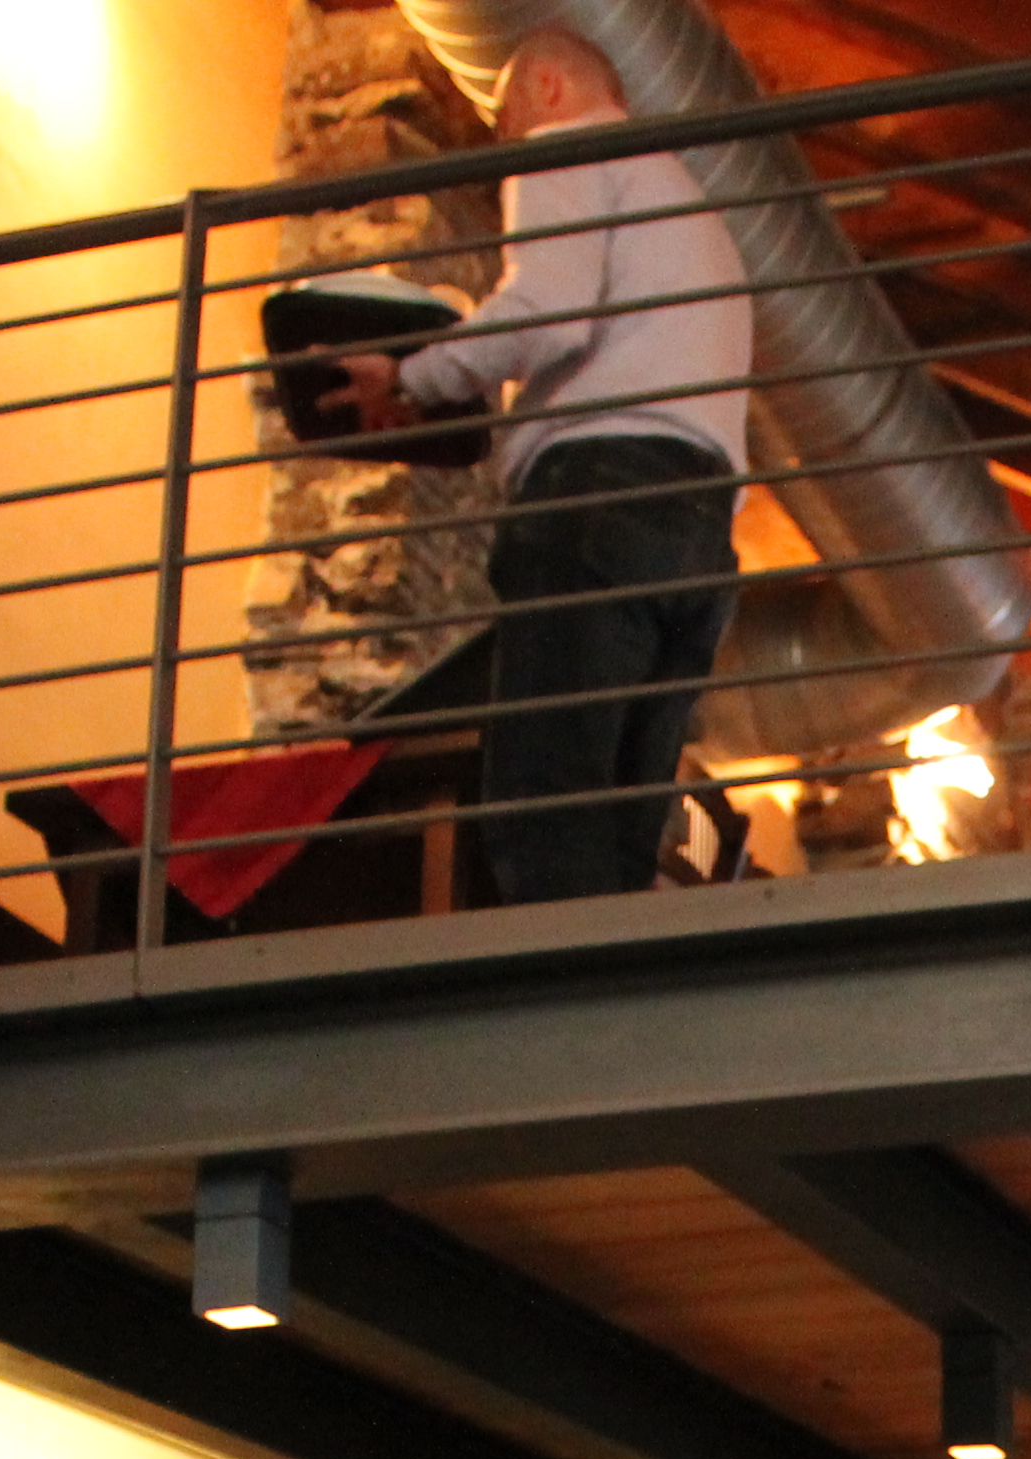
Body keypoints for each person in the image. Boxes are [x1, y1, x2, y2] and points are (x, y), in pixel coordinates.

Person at [336, 29, 747, 903]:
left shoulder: (567, 149)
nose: (505, 142)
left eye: (504, 115)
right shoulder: (694, 216)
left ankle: (553, 989)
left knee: (544, 809)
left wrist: (412, 378)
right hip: (700, 529)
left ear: (550, 87)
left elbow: (547, 310)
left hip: (597, 496)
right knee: (622, 836)